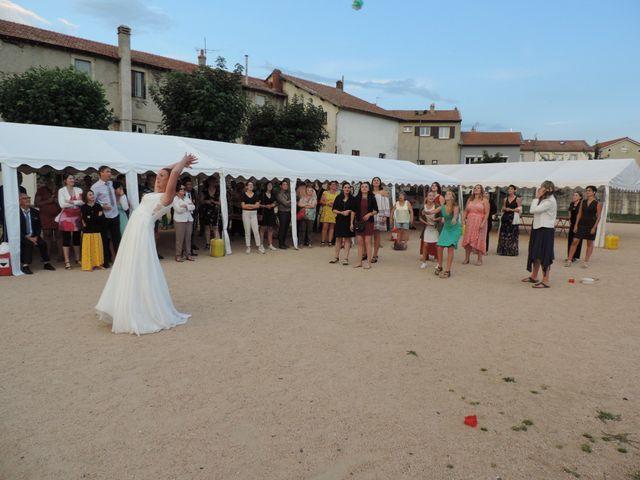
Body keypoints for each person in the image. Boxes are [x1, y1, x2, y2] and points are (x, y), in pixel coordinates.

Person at [95, 153, 198, 335]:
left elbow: (173, 174)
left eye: (162, 177)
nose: (158, 179)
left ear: (170, 182)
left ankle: (139, 308)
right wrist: (177, 164)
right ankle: (124, 304)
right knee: (127, 265)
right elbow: (168, 170)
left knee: (139, 267)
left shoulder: (168, 197)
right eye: (157, 176)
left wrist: (181, 164)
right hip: (134, 228)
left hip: (141, 231)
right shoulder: (157, 192)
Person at [522, 180, 557, 289]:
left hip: (545, 230)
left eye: (542, 188)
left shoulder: (550, 201)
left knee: (544, 255)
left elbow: (533, 210)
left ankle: (546, 280)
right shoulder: (544, 199)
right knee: (535, 253)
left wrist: (537, 196)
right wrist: (539, 197)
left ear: (548, 189)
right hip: (538, 228)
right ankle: (534, 276)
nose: (540, 189)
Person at [18, 192, 56, 274]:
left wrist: (36, 236)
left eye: (28, 198)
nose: (27, 199)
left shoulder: (34, 212)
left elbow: (39, 226)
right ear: (19, 201)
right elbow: (16, 229)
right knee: (28, 244)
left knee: (42, 243)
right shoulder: (16, 213)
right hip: (22, 236)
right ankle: (25, 266)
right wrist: (27, 237)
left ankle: (46, 263)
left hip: (34, 235)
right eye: (25, 198)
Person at [91, 166, 120, 268]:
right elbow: (92, 202)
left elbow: (118, 194)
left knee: (117, 238)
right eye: (107, 172)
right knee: (105, 239)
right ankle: (106, 261)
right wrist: (102, 206)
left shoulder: (112, 184)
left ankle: (119, 260)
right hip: (105, 216)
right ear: (101, 173)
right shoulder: (95, 187)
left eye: (110, 172)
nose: (109, 174)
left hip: (115, 214)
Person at [566, 185, 602, 268]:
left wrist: (594, 227)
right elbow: (579, 214)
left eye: (589, 190)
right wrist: (575, 225)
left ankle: (586, 261)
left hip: (591, 225)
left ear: (594, 192)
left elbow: (599, 216)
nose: (587, 192)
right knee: (575, 241)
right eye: (587, 190)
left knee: (589, 243)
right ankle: (569, 260)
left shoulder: (598, 203)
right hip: (581, 224)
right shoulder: (583, 202)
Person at [57, 173, 84, 269]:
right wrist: (75, 203)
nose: (72, 180)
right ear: (65, 180)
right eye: (70, 178)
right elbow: (62, 205)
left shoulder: (79, 190)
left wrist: (71, 202)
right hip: (66, 216)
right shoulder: (61, 190)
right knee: (66, 238)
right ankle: (67, 261)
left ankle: (77, 259)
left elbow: (81, 202)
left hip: (77, 215)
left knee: (77, 237)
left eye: (73, 178)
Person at [35, 174, 62, 262]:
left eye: (53, 180)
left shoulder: (60, 190)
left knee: (59, 236)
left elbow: (65, 202)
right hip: (46, 216)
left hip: (58, 216)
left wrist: (57, 201)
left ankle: (61, 255)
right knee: (47, 236)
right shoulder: (41, 190)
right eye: (49, 180)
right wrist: (48, 201)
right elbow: (37, 203)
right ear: (46, 181)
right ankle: (47, 255)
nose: (51, 182)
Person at [435, 190, 461, 278]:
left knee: (450, 247)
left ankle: (448, 270)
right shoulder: (442, 207)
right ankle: (440, 266)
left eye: (449, 194)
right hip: (446, 229)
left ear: (452, 198)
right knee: (439, 247)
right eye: (446, 193)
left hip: (454, 229)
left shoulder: (455, 207)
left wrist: (454, 219)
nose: (446, 194)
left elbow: (456, 215)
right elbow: (433, 211)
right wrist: (426, 212)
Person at [329, 182, 356, 265]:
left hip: (348, 221)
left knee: (347, 240)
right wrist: (341, 212)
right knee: (338, 240)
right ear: (343, 188)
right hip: (339, 220)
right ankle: (336, 257)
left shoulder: (353, 199)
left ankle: (346, 259)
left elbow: (354, 211)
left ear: (350, 189)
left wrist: (351, 223)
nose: (347, 189)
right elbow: (333, 209)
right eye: (345, 187)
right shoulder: (338, 197)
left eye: (348, 187)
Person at [462, 184, 489, 266]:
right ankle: (467, 258)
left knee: (479, 239)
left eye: (478, 188)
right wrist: (463, 219)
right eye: (475, 188)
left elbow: (487, 212)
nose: (476, 189)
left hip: (480, 221)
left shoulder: (484, 200)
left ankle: (479, 259)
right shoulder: (470, 199)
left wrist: (483, 223)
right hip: (470, 221)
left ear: (481, 190)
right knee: (468, 239)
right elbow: (466, 210)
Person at [353, 181, 378, 269]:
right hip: (359, 222)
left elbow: (376, 210)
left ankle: (369, 263)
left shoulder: (372, 197)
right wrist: (352, 222)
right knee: (359, 243)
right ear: (360, 188)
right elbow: (354, 211)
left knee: (368, 242)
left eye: (366, 187)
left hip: (369, 222)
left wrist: (369, 214)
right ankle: (359, 262)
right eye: (362, 186)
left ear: (368, 188)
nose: (364, 188)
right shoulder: (357, 198)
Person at [80, 190, 105, 271]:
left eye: (93, 194)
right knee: (88, 248)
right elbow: (86, 219)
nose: (92, 196)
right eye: (90, 195)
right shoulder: (83, 207)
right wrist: (95, 217)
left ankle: (98, 264)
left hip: (97, 230)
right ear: (86, 197)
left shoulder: (98, 206)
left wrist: (91, 217)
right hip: (88, 231)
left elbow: (101, 219)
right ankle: (88, 265)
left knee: (97, 248)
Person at [0, 171, 28, 242]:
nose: (21, 180)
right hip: (7, 215)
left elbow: (25, 202)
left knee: (19, 232)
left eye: (21, 178)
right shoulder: (2, 188)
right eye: (19, 178)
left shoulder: (23, 189)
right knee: (7, 233)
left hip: (20, 214)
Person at [172, 184, 196, 262]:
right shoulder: (175, 199)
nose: (183, 190)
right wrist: (188, 207)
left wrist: (185, 206)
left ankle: (188, 254)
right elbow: (178, 210)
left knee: (188, 238)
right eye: (181, 189)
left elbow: (193, 207)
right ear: (177, 191)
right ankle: (178, 255)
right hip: (179, 220)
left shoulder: (187, 198)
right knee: (179, 239)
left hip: (189, 220)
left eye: (183, 189)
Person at [496, 185, 522, 256]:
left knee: (512, 234)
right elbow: (503, 207)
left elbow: (519, 209)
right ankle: (503, 250)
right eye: (509, 189)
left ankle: (511, 251)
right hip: (505, 217)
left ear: (514, 190)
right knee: (504, 233)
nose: (510, 190)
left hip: (513, 218)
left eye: (511, 189)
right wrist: (504, 208)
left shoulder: (518, 199)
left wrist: (511, 209)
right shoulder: (505, 199)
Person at [241, 181, 264, 254]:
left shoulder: (256, 195)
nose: (251, 186)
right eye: (249, 185)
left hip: (254, 214)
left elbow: (257, 206)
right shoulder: (243, 195)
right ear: (246, 186)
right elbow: (243, 206)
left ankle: (259, 246)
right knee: (247, 231)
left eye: (252, 185)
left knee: (256, 230)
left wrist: (248, 205)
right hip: (245, 214)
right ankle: (248, 247)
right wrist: (252, 206)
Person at [419, 191, 441, 268]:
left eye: (433, 196)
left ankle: (438, 263)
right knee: (425, 245)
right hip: (427, 228)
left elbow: (441, 217)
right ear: (427, 197)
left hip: (435, 228)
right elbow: (420, 218)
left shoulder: (437, 206)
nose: (431, 197)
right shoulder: (423, 206)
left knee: (437, 246)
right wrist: (426, 223)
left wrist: (435, 220)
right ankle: (424, 262)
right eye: (430, 195)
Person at [371, 177, 390, 263]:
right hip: (370, 214)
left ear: (380, 182)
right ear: (372, 182)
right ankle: (365, 253)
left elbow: (386, 203)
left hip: (379, 214)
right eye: (374, 180)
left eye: (377, 180)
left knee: (376, 235)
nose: (376, 182)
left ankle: (375, 255)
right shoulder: (369, 192)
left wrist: (386, 215)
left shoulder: (383, 192)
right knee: (366, 235)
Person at [199, 176, 220, 249]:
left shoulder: (218, 191)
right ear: (208, 182)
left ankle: (217, 243)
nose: (213, 182)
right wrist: (205, 201)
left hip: (215, 210)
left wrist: (214, 202)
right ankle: (207, 244)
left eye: (214, 181)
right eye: (212, 181)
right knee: (207, 227)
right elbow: (201, 201)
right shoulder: (204, 190)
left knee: (215, 227)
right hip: (206, 210)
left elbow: (221, 203)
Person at [258, 181, 278, 251]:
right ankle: (261, 244)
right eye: (269, 185)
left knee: (270, 229)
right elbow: (258, 204)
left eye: (271, 185)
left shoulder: (273, 194)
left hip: (271, 213)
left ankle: (270, 244)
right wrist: (265, 206)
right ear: (266, 186)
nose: (270, 186)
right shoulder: (262, 194)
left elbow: (275, 202)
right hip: (264, 212)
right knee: (262, 229)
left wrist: (272, 205)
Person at [319, 181, 339, 247]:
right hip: (326, 210)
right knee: (325, 227)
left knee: (332, 227)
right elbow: (321, 201)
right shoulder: (325, 192)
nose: (334, 186)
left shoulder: (338, 194)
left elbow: (340, 203)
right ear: (329, 186)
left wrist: (335, 204)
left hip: (334, 211)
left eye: (335, 185)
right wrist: (327, 203)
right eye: (332, 184)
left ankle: (329, 241)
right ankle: (322, 241)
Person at [567, 190, 583, 262]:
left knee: (577, 240)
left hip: (579, 224)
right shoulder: (572, 204)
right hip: (572, 224)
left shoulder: (581, 204)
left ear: (580, 197)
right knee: (570, 239)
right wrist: (569, 219)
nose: (574, 196)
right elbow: (569, 212)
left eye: (576, 195)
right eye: (573, 195)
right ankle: (570, 256)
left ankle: (576, 256)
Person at [276, 180, 292, 249]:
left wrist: (291, 201)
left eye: (286, 184)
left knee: (286, 228)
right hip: (282, 212)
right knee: (282, 228)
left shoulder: (288, 193)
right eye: (284, 184)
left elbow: (296, 199)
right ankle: (280, 244)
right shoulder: (279, 194)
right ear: (281, 186)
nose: (286, 186)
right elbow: (285, 203)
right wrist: (292, 201)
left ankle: (283, 243)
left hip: (288, 212)